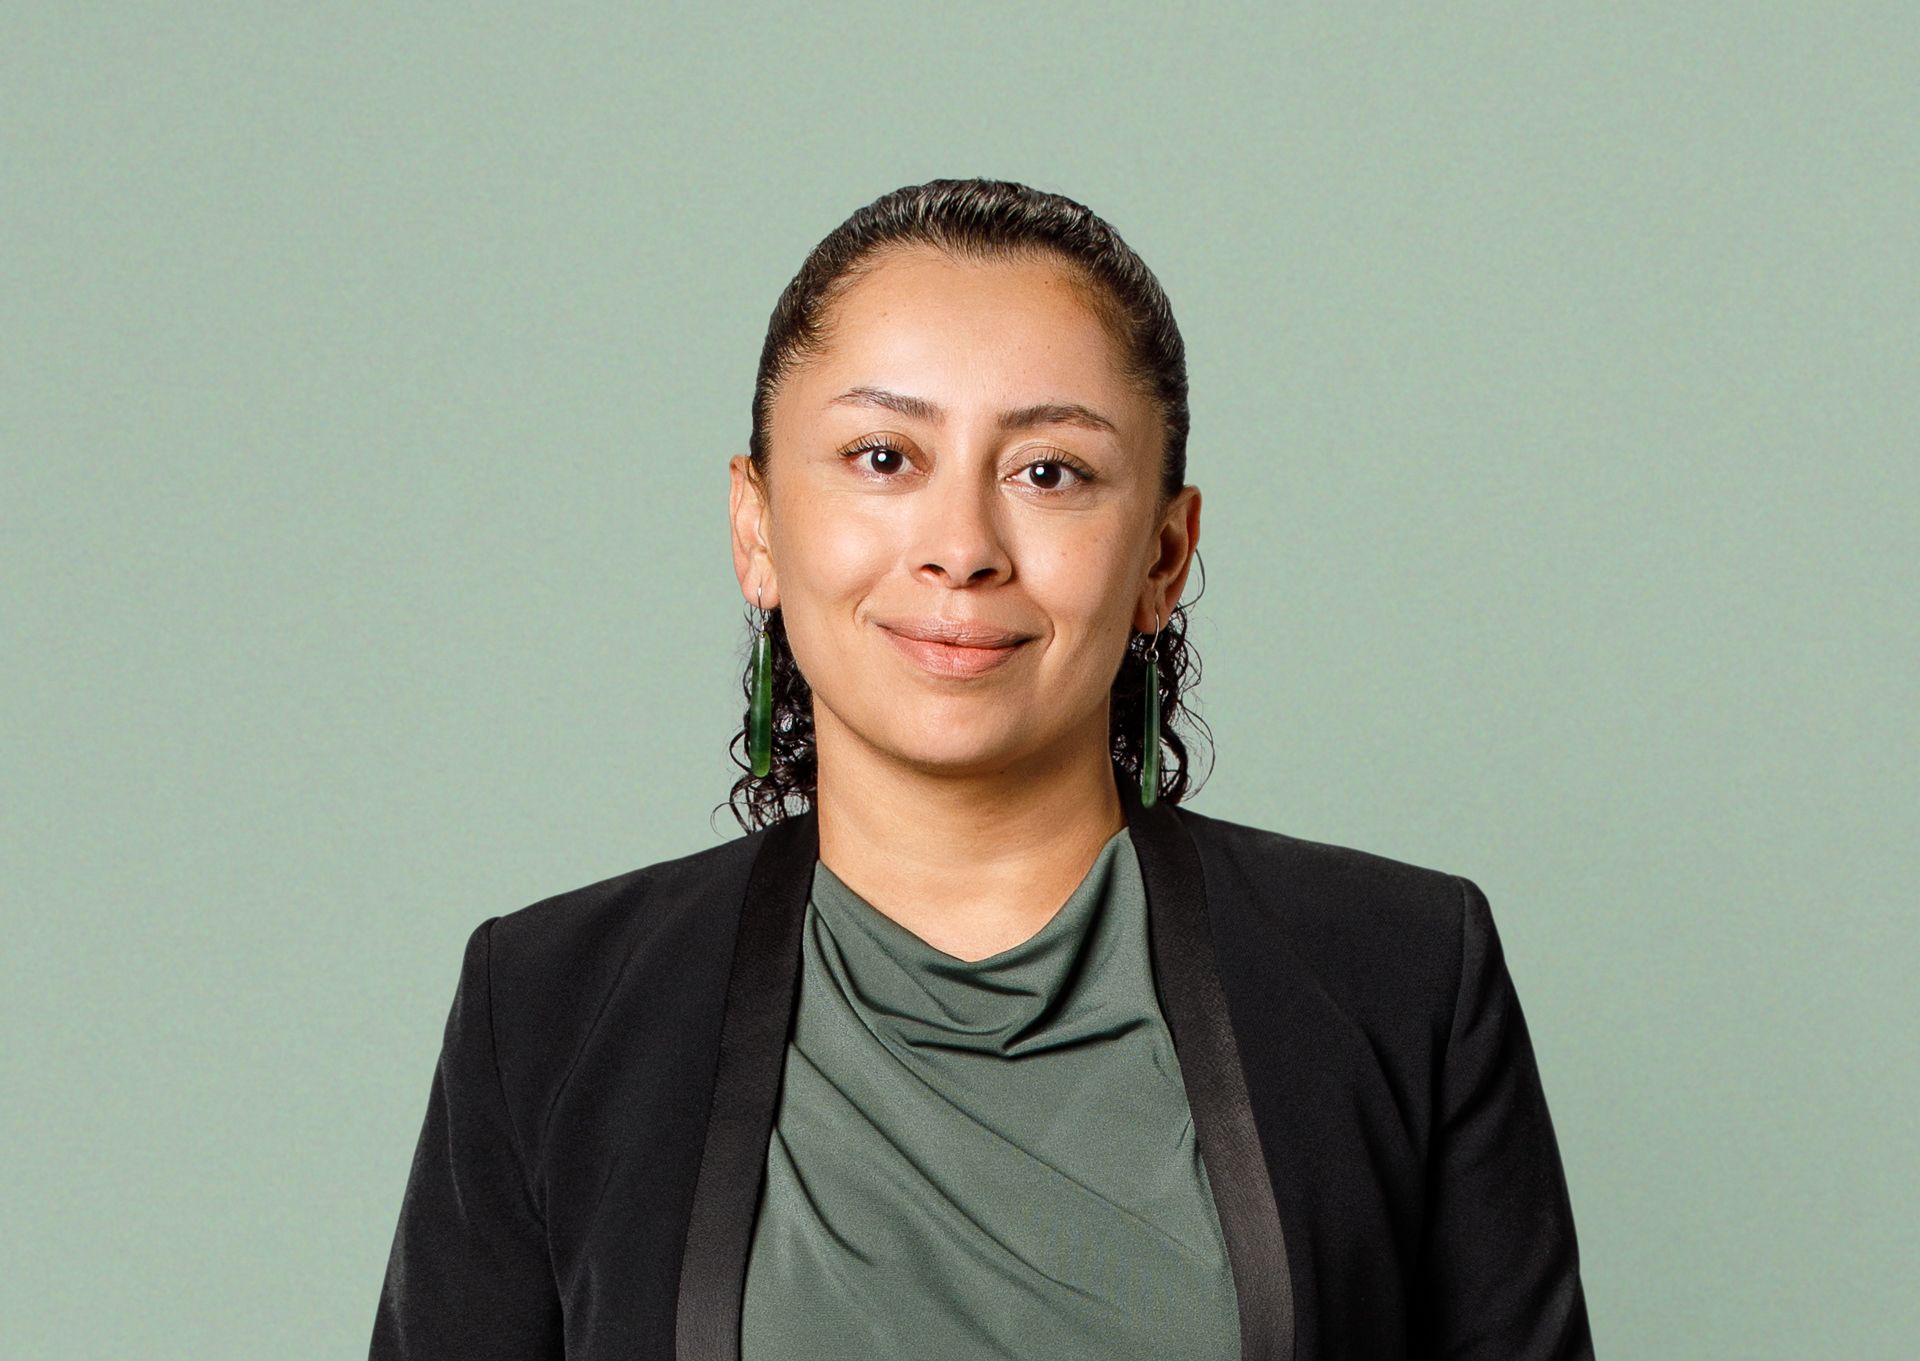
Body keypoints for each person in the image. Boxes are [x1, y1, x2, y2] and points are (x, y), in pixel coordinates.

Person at [370, 177, 1596, 1361]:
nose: (962, 547)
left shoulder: (1406, 975)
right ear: (757, 527)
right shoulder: (542, 1010)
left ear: (1165, 553)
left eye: (1048, 471)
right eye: (883, 457)